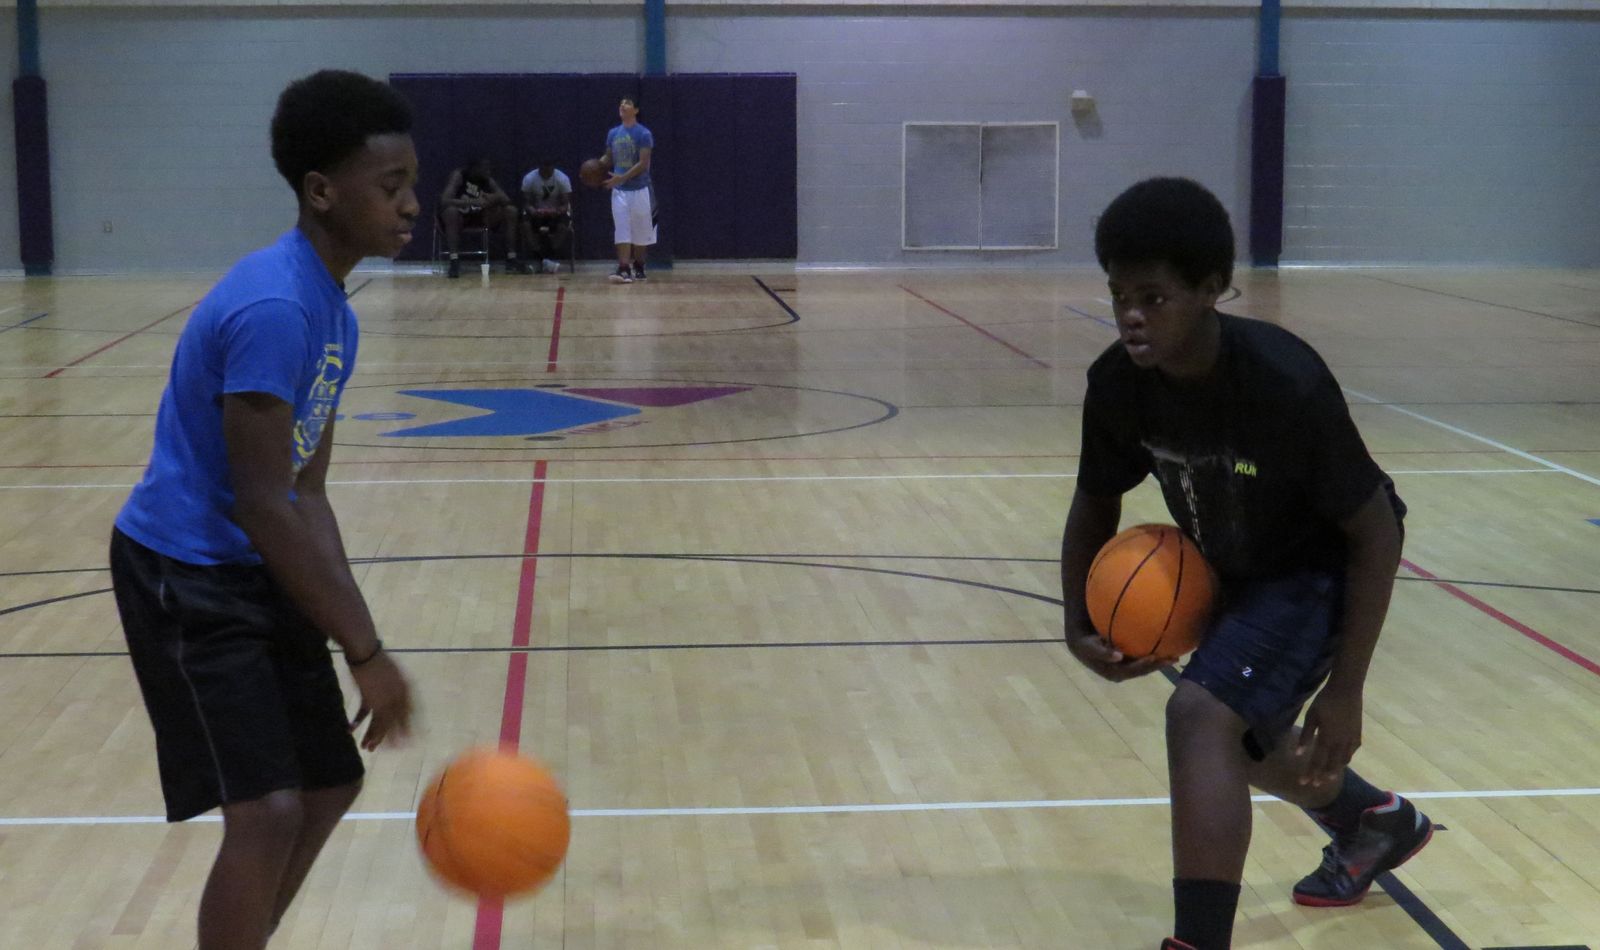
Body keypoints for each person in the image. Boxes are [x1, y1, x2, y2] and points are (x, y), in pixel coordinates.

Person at [1058, 177, 1433, 950]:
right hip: (1238, 564)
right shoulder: (1118, 384)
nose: (1131, 315)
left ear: (1210, 290)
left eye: (1153, 298)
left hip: (1321, 564)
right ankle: (1372, 822)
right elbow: (1095, 501)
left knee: (1199, 715)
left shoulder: (1283, 383)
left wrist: (1346, 691)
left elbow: (1374, 532)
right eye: (1120, 295)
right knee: (1241, 745)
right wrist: (1075, 623)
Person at [107, 70, 417, 950]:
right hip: (185, 574)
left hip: (252, 565)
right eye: (390, 185)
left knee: (330, 783)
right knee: (268, 810)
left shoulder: (335, 314)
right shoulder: (276, 305)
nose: (410, 205)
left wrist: (359, 629)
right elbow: (261, 504)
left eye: (412, 183)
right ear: (321, 191)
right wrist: (365, 652)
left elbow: (306, 494)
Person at [597, 97, 655, 284]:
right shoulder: (613, 133)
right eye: (621, 103)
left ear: (636, 110)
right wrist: (595, 167)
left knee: (640, 232)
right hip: (620, 190)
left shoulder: (644, 133)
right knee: (621, 229)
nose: (622, 105)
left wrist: (621, 177)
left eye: (627, 103)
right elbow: (608, 157)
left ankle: (639, 265)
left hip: (640, 189)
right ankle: (623, 268)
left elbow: (643, 164)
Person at [439, 157, 529, 277]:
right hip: (460, 218)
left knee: (511, 211)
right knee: (450, 212)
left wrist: (494, 197)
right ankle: (454, 261)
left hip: (480, 217)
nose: (488, 171)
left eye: (489, 169)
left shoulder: (488, 180)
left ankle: (511, 258)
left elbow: (506, 199)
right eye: (485, 168)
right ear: (475, 168)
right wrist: (473, 201)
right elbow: (444, 200)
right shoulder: (459, 175)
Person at [519, 159, 573, 274]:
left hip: (556, 213)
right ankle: (540, 256)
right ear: (539, 167)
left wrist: (557, 211)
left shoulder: (562, 179)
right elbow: (526, 203)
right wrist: (533, 211)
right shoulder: (529, 178)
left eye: (549, 168)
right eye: (544, 168)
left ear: (553, 168)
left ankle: (548, 256)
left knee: (564, 225)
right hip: (536, 213)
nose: (546, 171)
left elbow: (565, 204)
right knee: (525, 224)